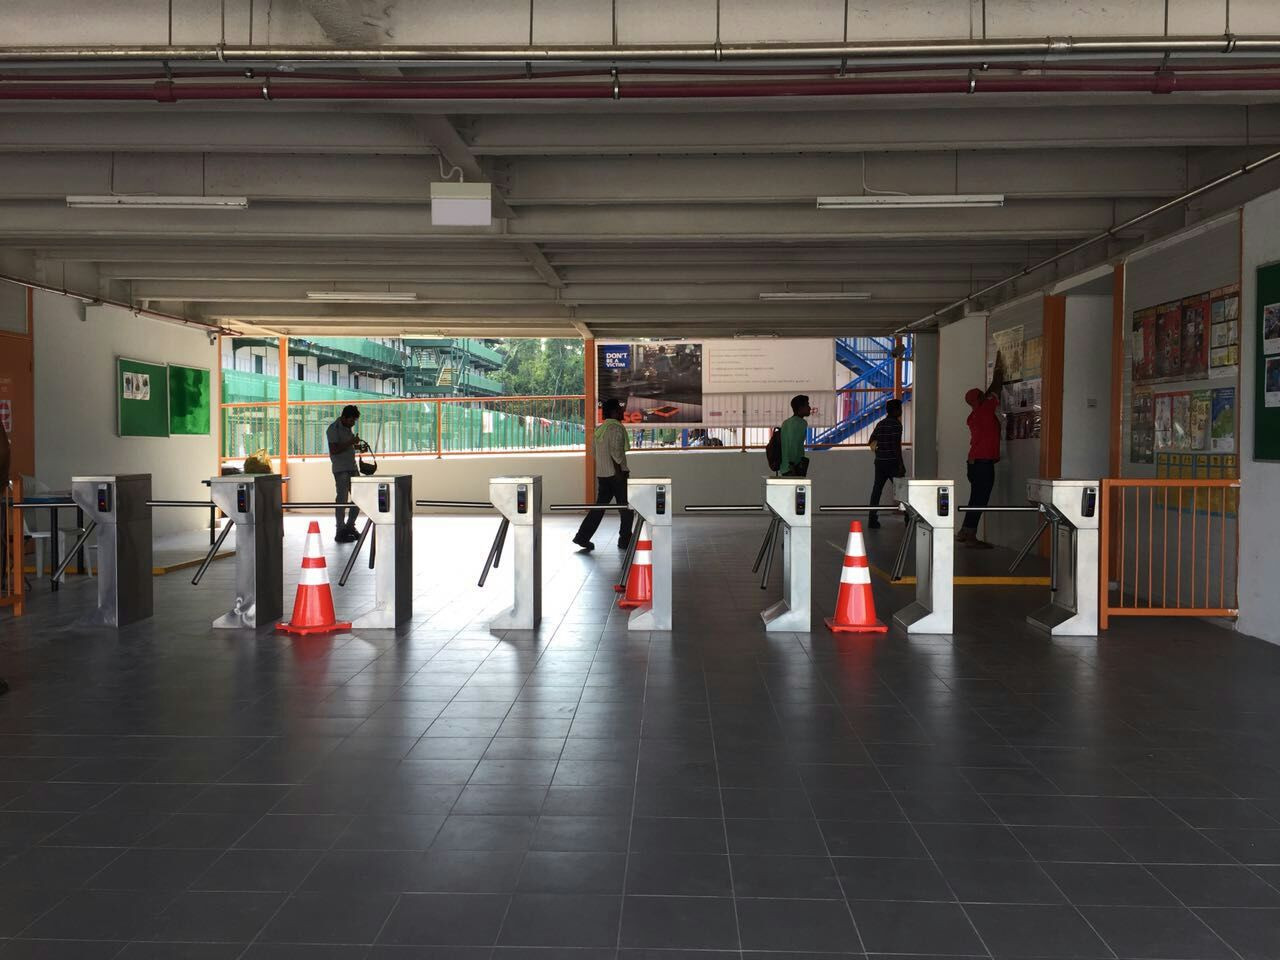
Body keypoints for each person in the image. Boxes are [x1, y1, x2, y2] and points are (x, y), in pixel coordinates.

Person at [958, 351, 1005, 548]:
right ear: (981, 398)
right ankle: (969, 534)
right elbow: (996, 386)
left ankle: (965, 531)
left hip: (974, 462)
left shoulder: (974, 415)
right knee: (980, 498)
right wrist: (999, 367)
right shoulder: (986, 409)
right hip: (983, 463)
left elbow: (986, 395)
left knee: (975, 497)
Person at [574, 398, 634, 552]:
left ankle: (582, 537)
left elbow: (593, 452)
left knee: (599, 508)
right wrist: (620, 471)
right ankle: (625, 540)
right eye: (620, 409)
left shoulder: (599, 429)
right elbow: (616, 452)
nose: (622, 412)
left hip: (603, 475)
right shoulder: (615, 428)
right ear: (614, 412)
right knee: (626, 508)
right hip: (616, 475)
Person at [326, 404, 364, 543]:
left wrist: (356, 446)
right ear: (344, 417)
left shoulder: (348, 429)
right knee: (342, 500)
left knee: (358, 498)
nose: (353, 423)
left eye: (354, 420)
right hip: (341, 469)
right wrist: (351, 442)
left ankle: (350, 526)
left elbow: (347, 445)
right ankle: (340, 530)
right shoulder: (333, 429)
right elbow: (334, 449)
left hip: (352, 467)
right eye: (351, 420)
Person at [866, 398, 905, 528]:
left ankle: (872, 519)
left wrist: (878, 450)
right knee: (902, 491)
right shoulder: (896, 425)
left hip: (879, 462)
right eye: (900, 408)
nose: (901, 411)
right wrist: (901, 464)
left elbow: (871, 440)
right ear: (895, 410)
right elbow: (896, 446)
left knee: (876, 490)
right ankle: (908, 518)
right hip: (892, 463)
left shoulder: (880, 424)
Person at [779, 394, 811, 477]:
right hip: (793, 468)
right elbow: (793, 445)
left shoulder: (786, 422)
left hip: (784, 467)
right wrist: (792, 464)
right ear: (800, 408)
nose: (809, 408)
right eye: (807, 405)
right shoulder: (801, 423)